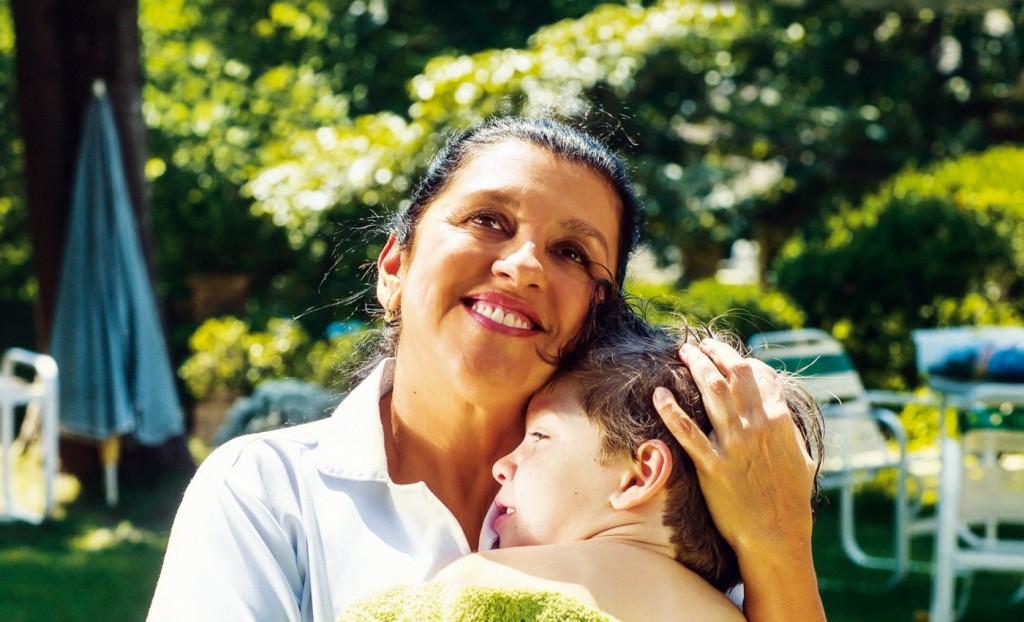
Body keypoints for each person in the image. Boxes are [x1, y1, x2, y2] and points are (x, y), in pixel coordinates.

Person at [148, 116, 825, 621]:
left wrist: (781, 550)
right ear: (395, 266)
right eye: (488, 220)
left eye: (571, 252)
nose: (525, 264)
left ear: (600, 310)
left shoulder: (686, 498)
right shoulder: (266, 490)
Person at [338, 309, 823, 621]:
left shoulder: (491, 580)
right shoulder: (744, 615)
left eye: (539, 437)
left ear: (639, 475)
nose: (503, 466)